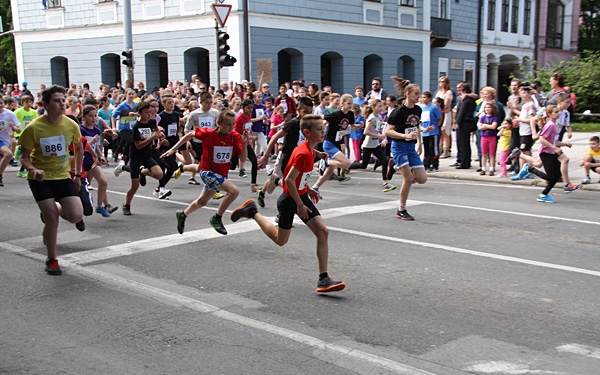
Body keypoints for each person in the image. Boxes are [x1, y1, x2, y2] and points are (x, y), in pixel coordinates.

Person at [230, 115, 346, 293]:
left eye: (323, 129)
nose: (323, 132)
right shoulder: (303, 153)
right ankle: (252, 212)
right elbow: (290, 180)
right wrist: (300, 204)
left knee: (323, 231)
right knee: (280, 240)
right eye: (319, 129)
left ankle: (324, 279)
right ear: (307, 132)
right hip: (290, 200)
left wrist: (307, 189)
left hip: (300, 195)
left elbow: (299, 177)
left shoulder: (309, 149)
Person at [18, 85, 85, 275]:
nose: (62, 103)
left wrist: (78, 174)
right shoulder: (34, 128)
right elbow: (22, 157)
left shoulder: (70, 124)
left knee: (75, 215)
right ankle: (52, 259)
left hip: (63, 176)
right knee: (53, 221)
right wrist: (33, 169)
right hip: (41, 178)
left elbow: (79, 148)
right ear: (45, 104)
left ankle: (52, 210)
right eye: (57, 100)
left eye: (63, 99)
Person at [163, 110, 248, 235]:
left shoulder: (234, 136)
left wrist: (244, 143)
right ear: (218, 123)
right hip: (207, 171)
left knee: (202, 202)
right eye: (227, 124)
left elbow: (242, 159)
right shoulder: (209, 133)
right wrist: (173, 149)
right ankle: (217, 218)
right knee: (234, 191)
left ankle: (183, 214)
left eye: (233, 125)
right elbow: (189, 135)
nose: (231, 128)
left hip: (222, 173)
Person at [385, 77, 427, 221]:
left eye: (419, 94)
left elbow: (417, 127)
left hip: (411, 147)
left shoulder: (418, 109)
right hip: (399, 146)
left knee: (422, 179)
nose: (418, 96)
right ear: (408, 93)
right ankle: (401, 209)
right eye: (416, 94)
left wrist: (420, 143)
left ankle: (394, 165)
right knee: (408, 179)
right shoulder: (398, 112)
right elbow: (388, 131)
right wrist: (404, 135)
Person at [512, 106, 568, 203]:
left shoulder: (553, 125)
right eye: (556, 112)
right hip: (546, 153)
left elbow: (554, 141)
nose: (558, 114)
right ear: (549, 114)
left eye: (558, 112)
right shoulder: (550, 125)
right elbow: (542, 139)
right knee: (551, 177)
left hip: (551, 152)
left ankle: (543, 194)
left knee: (557, 175)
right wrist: (554, 148)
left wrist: (565, 144)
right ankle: (530, 170)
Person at [121, 99, 165, 215]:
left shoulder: (151, 122)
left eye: (150, 112)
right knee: (135, 186)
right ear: (139, 113)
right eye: (146, 112)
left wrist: (160, 137)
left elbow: (156, 132)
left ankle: (143, 172)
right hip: (136, 156)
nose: (149, 115)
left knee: (159, 174)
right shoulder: (136, 126)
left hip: (147, 155)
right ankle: (126, 205)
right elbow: (139, 145)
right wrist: (151, 138)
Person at [348, 99, 396, 192]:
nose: (381, 108)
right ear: (373, 107)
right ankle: (346, 167)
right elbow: (366, 131)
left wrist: (384, 136)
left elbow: (380, 127)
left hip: (375, 144)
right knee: (363, 165)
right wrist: (379, 136)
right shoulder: (371, 117)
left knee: (385, 161)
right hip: (368, 145)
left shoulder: (378, 117)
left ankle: (385, 183)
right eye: (379, 106)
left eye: (381, 106)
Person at [453, 83, 477, 169]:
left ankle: (464, 162)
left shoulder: (465, 99)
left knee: (463, 144)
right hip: (469, 122)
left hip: (464, 122)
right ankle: (466, 161)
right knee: (466, 143)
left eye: (460, 90)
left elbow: (461, 112)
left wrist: (457, 122)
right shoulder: (472, 99)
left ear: (464, 91)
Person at [418, 91, 442, 172]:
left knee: (434, 148)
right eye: (422, 97)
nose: (423, 99)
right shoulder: (421, 108)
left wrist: (437, 125)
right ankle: (426, 164)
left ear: (429, 98)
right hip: (425, 132)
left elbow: (439, 118)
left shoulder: (433, 107)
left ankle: (435, 164)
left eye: (425, 97)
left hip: (433, 132)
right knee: (427, 148)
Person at [0, 96, 21, 186]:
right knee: (9, 154)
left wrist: (12, 126)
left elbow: (18, 130)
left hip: (5, 141)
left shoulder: (9, 114)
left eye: (0, 103)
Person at [477, 102, 499, 176]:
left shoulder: (494, 118)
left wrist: (485, 125)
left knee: (492, 154)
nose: (487, 109)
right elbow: (480, 127)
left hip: (492, 137)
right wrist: (488, 126)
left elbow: (493, 127)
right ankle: (483, 168)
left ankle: (491, 169)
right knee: (484, 154)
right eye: (486, 107)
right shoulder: (482, 117)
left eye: (489, 107)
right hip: (484, 137)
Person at [435, 76, 454, 158]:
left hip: (445, 113)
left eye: (443, 81)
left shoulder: (448, 92)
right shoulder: (438, 92)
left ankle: (446, 150)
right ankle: (440, 149)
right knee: (440, 131)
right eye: (440, 81)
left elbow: (446, 104)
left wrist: (442, 108)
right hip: (439, 112)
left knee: (445, 131)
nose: (441, 83)